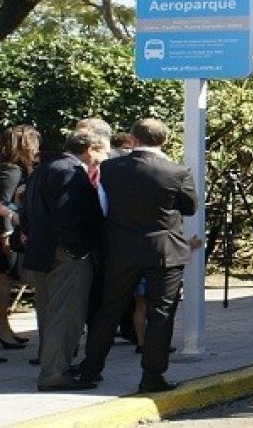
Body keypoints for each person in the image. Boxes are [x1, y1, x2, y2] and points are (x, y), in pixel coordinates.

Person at [76, 118, 196, 393]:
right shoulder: (176, 172)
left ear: (132, 139)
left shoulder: (110, 167)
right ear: (164, 140)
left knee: (109, 309)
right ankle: (152, 376)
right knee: (161, 313)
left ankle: (90, 369)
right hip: (164, 250)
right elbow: (189, 207)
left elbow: (101, 204)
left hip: (121, 248)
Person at [20, 129, 107, 391]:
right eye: (102, 151)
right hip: (65, 255)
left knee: (49, 314)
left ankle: (54, 368)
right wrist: (78, 249)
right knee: (65, 315)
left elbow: (27, 212)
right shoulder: (69, 171)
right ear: (90, 148)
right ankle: (55, 374)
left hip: (43, 252)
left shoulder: (45, 168)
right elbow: (67, 216)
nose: (103, 158)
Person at [0, 125, 40, 349]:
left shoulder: (14, 169)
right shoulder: (11, 170)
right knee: (4, 283)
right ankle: (3, 330)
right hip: (5, 235)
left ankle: (6, 329)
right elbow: (3, 204)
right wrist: (7, 234)